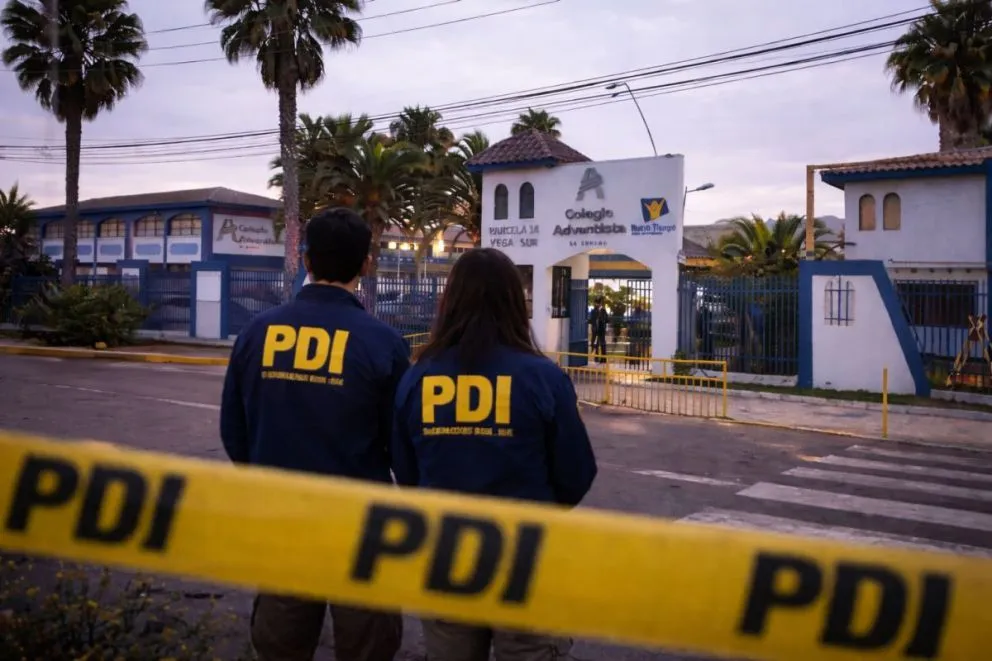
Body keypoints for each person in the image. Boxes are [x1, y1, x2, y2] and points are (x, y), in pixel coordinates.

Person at [391, 247, 598, 661]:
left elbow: (406, 469)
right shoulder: (543, 377)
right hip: (526, 554)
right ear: (513, 302)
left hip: (446, 552)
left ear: (450, 301)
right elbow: (576, 472)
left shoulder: (418, 376)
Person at [220, 207, 408, 661]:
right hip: (362, 524)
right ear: (366, 263)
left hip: (282, 518)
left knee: (281, 643)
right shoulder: (382, 343)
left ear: (306, 261)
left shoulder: (258, 332)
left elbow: (234, 430)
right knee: (368, 645)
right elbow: (402, 446)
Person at [588, 297, 608, 363]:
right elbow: (591, 320)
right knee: (594, 344)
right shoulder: (593, 311)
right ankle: (596, 358)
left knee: (602, 344)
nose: (596, 304)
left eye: (597, 303)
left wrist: (602, 319)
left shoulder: (603, 311)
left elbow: (607, 319)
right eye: (596, 303)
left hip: (601, 330)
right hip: (595, 330)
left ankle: (603, 359)